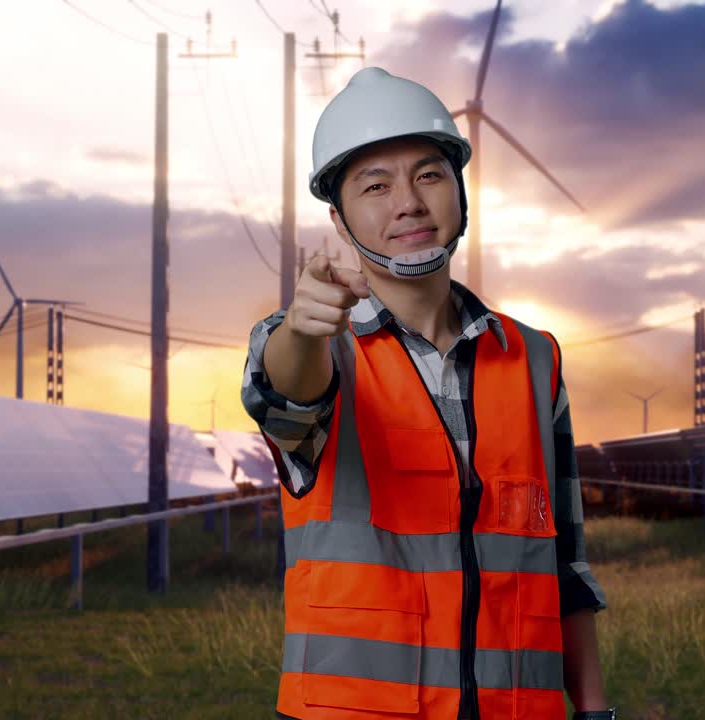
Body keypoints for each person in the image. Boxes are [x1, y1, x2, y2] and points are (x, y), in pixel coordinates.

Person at [242, 67, 613, 720]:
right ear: (339, 216)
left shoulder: (534, 359)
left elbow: (565, 568)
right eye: (375, 185)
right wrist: (302, 329)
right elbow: (286, 395)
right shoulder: (316, 349)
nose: (408, 202)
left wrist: (593, 710)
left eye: (429, 174)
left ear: (461, 193)